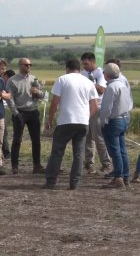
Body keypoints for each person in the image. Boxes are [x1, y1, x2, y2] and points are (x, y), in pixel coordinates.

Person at [43, 59, 98, 190]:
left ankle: (51, 182)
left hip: (65, 122)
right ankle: (75, 183)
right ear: (79, 68)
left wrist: (49, 119)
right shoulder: (88, 82)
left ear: (67, 68)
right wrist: (86, 117)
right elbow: (95, 106)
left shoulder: (62, 79)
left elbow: (55, 102)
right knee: (79, 154)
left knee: (57, 152)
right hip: (82, 123)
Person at [6, 58, 45, 174]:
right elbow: (9, 98)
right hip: (20, 112)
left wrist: (37, 92)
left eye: (30, 65)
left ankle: (37, 165)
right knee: (17, 140)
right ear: (20, 66)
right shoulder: (12, 81)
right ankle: (14, 166)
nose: (29, 66)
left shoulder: (34, 79)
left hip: (33, 111)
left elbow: (43, 95)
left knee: (36, 140)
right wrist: (16, 113)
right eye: (26, 65)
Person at [100, 63, 132, 189]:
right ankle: (125, 176)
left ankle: (118, 177)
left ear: (106, 75)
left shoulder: (111, 87)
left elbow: (107, 109)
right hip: (124, 118)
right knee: (123, 150)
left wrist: (103, 121)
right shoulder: (122, 84)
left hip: (114, 121)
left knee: (115, 151)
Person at [80, 52, 111, 174]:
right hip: (84, 109)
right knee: (86, 138)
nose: (84, 66)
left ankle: (106, 163)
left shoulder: (100, 73)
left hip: (97, 109)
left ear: (93, 62)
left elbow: (102, 90)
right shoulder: (83, 74)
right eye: (83, 64)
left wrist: (92, 83)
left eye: (86, 63)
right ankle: (89, 164)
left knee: (98, 137)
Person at [1, 69, 15, 160]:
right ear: (5, 76)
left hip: (1, 111)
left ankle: (6, 153)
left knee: (3, 133)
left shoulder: (9, 84)